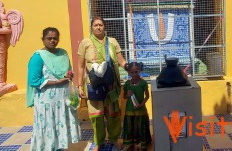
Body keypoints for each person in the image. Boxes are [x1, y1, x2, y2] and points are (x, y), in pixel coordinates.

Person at [77, 17, 128, 151]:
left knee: (114, 116)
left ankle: (114, 139)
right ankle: (99, 142)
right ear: (91, 27)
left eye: (100, 25)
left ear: (104, 27)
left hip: (111, 85)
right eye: (95, 25)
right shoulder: (85, 43)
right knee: (97, 116)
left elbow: (120, 60)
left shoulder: (112, 42)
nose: (98, 27)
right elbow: (81, 66)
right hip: (94, 86)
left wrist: (129, 67)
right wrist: (79, 86)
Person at [27, 27, 81, 151]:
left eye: (55, 38)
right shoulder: (38, 57)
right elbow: (34, 81)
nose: (52, 41)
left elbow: (69, 70)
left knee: (60, 125)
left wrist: (69, 75)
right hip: (46, 102)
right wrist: (56, 82)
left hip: (62, 100)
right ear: (43, 40)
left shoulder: (63, 53)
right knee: (49, 126)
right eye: (49, 38)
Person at [121, 62, 151, 151]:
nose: (134, 74)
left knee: (141, 127)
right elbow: (124, 96)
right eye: (132, 72)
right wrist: (127, 94)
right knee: (129, 128)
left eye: (136, 72)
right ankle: (129, 144)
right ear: (129, 72)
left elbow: (147, 96)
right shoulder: (127, 84)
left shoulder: (143, 83)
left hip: (141, 110)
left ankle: (142, 143)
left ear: (140, 71)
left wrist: (141, 104)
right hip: (129, 110)